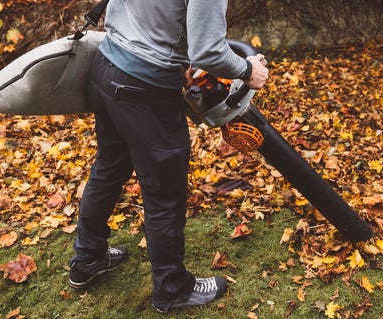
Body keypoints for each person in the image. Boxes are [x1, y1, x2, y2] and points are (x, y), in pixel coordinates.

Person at [68, 0, 269, 313]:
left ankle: (87, 259)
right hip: (145, 88)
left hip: (105, 66)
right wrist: (247, 70)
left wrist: (177, 55)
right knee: (165, 194)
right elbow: (208, 51)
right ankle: (172, 289)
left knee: (108, 168)